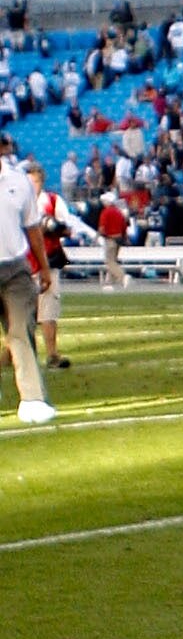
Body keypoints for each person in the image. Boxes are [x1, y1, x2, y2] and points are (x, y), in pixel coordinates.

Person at [0, 130, 51, 424]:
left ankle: (32, 400)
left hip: (15, 269)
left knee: (20, 330)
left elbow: (32, 228)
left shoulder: (19, 182)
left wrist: (43, 267)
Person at [25, 158, 87, 370]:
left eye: (34, 182)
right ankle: (14, 354)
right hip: (22, 264)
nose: (32, 186)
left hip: (48, 261)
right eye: (28, 182)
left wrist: (53, 227)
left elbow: (69, 227)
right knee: (20, 313)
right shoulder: (14, 203)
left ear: (41, 182)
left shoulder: (52, 200)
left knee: (48, 310)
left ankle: (52, 354)